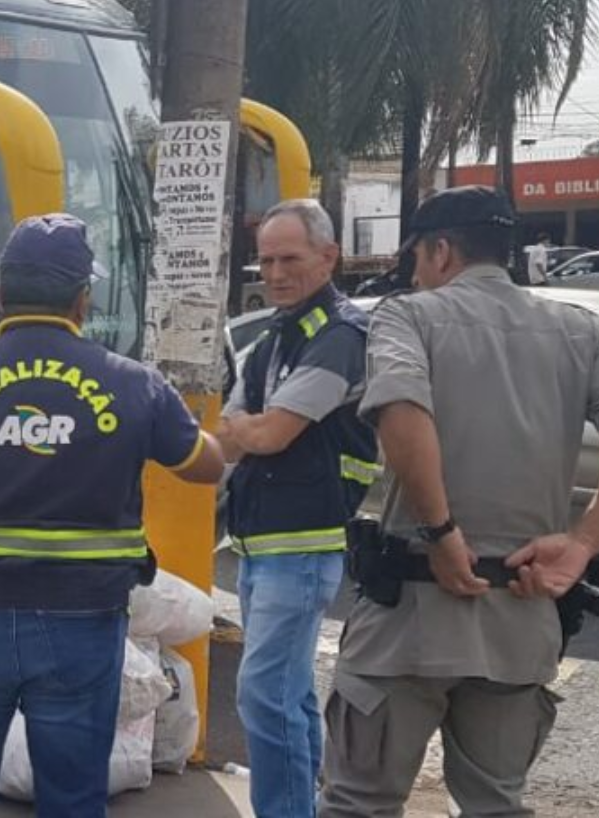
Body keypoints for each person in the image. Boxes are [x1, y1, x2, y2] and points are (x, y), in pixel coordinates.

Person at [320, 186, 599, 818]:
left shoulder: (409, 316)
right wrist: (584, 543)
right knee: (496, 805)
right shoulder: (580, 329)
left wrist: (441, 532)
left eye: (416, 259)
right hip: (520, 620)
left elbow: (401, 408)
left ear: (440, 251)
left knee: (358, 805)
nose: (416, 275)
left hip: (410, 619)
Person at [0, 213, 226, 817]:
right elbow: (206, 466)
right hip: (82, 619)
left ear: (1, 294)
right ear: (82, 299)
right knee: (72, 800)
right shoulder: (136, 385)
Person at [215, 200, 379, 818]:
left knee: (263, 695)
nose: (276, 274)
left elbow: (268, 433)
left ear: (329, 257)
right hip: (264, 543)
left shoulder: (340, 335)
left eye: (290, 259)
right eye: (266, 261)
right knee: (288, 692)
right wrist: (248, 427)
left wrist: (251, 425)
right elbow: (232, 433)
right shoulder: (276, 336)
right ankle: (305, 806)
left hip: (304, 541)